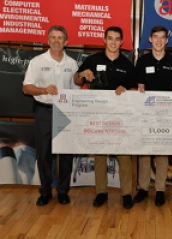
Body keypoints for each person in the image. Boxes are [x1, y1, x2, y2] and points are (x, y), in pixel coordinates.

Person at [74, 26, 136, 209]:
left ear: (122, 42)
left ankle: (126, 194)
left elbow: (134, 89)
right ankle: (101, 192)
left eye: (117, 39)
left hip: (120, 116)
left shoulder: (127, 64)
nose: (113, 42)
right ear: (104, 39)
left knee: (124, 155)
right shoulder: (92, 60)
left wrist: (126, 90)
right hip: (98, 115)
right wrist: (81, 74)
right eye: (110, 38)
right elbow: (76, 80)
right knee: (100, 155)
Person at [23, 25, 78, 206]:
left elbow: (76, 90)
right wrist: (43, 89)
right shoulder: (37, 61)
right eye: (53, 37)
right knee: (44, 153)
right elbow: (26, 87)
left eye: (60, 38)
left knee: (66, 154)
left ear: (66, 42)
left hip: (65, 112)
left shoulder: (72, 64)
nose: (56, 41)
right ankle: (45, 192)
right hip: (43, 110)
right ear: (48, 41)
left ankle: (63, 191)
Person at [133, 25, 172, 206]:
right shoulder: (143, 62)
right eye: (156, 37)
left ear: (167, 40)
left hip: (166, 115)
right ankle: (143, 188)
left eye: (162, 37)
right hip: (146, 114)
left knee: (162, 153)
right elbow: (140, 88)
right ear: (150, 39)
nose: (159, 40)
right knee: (144, 152)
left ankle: (160, 189)